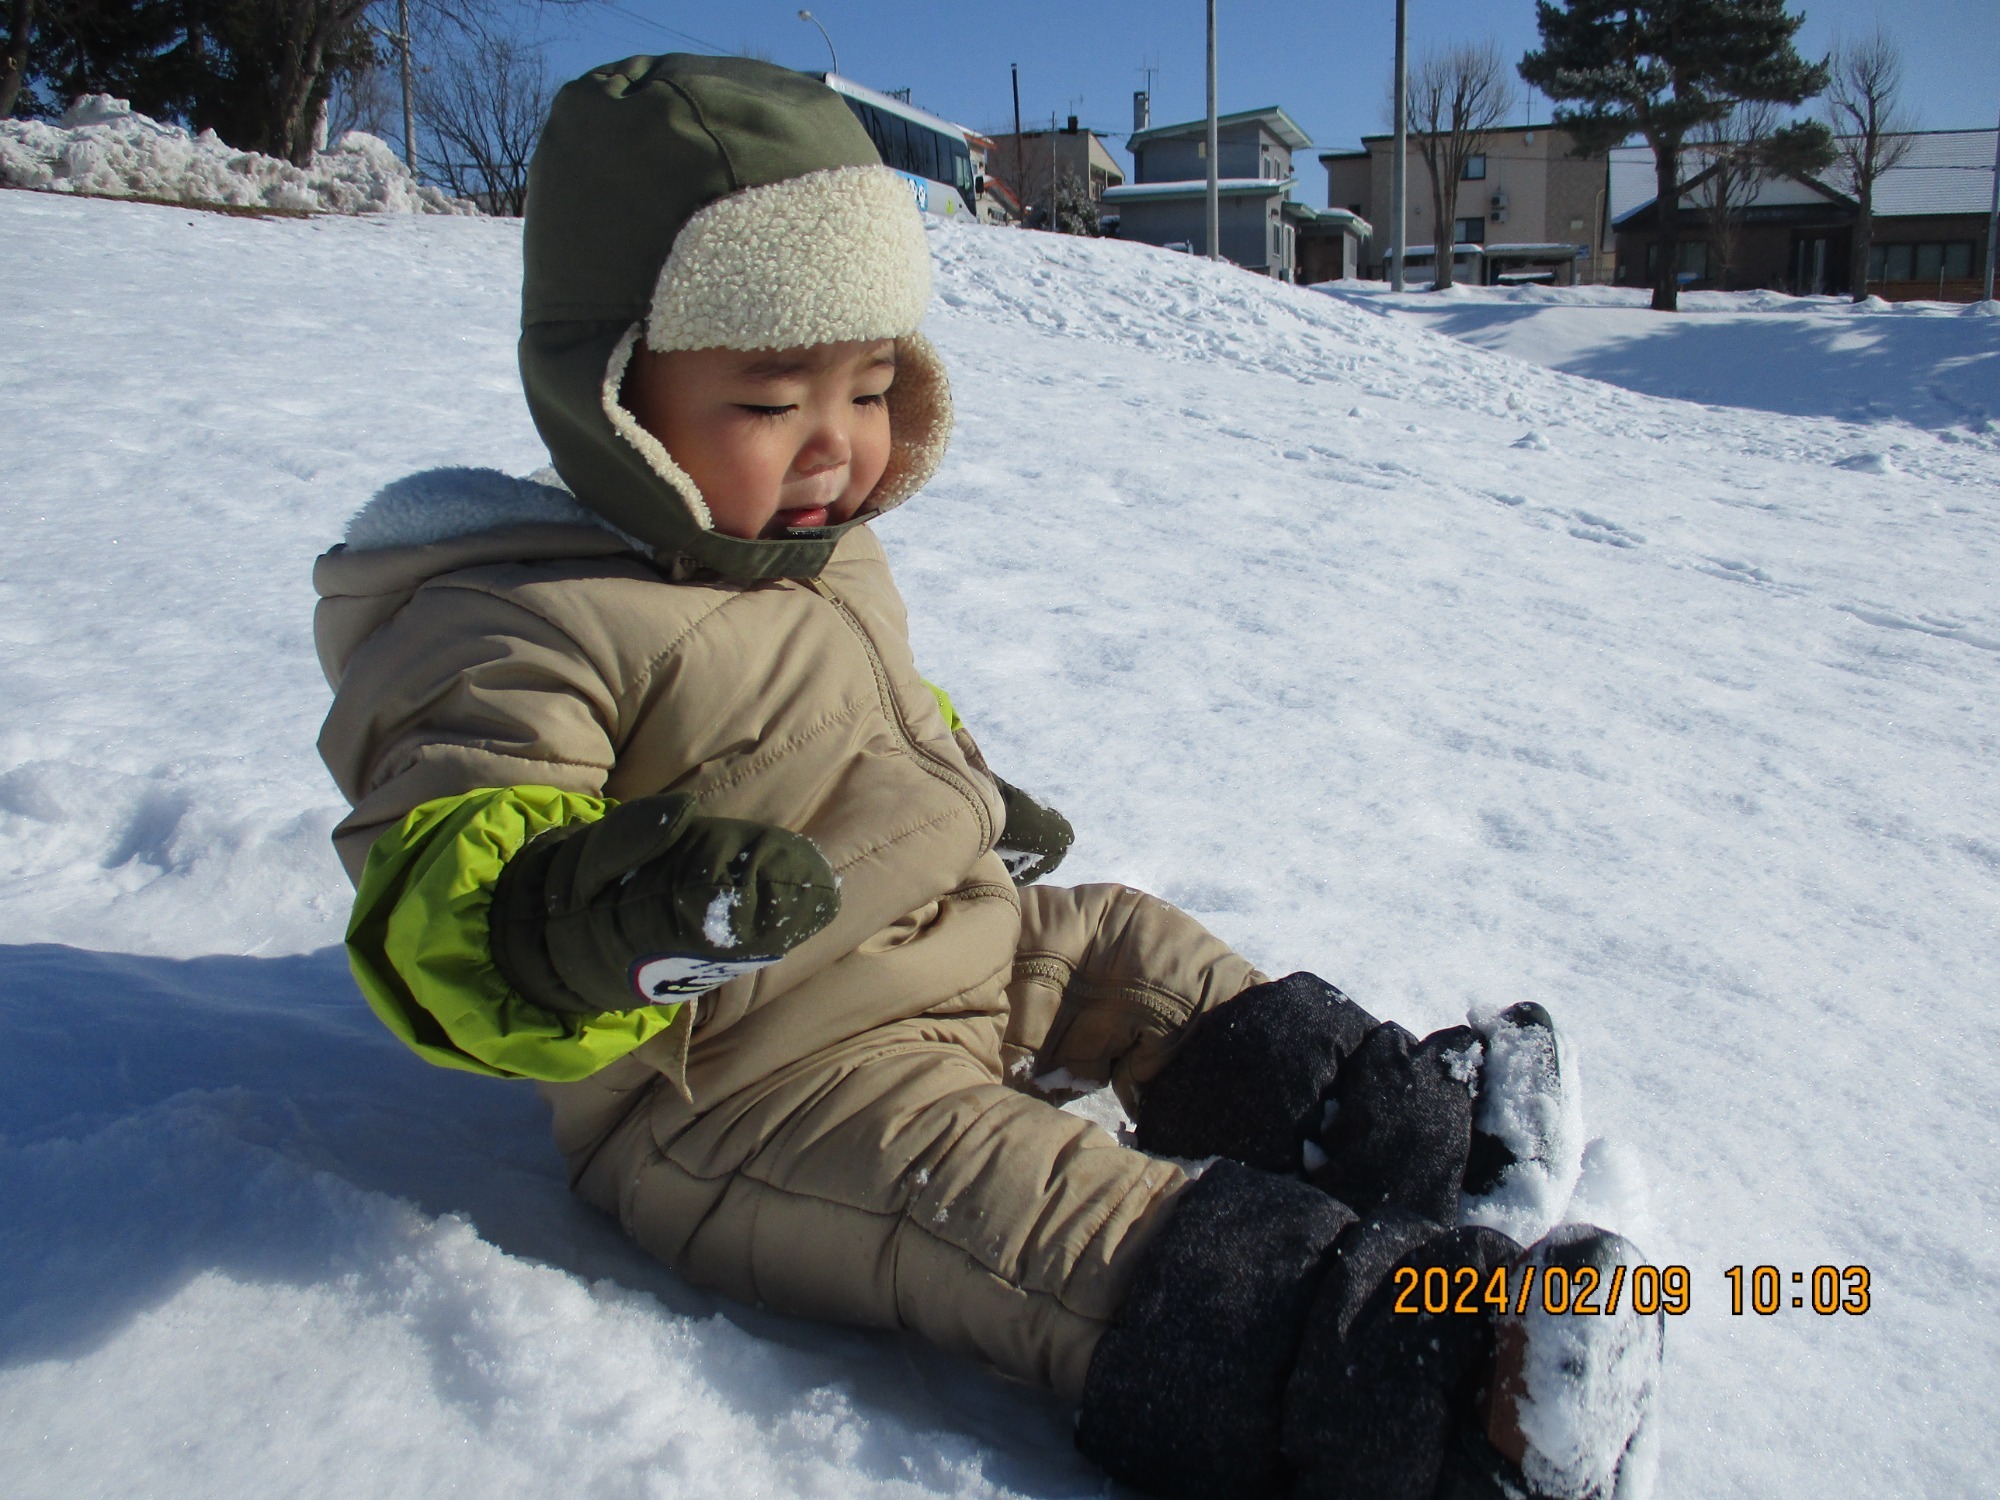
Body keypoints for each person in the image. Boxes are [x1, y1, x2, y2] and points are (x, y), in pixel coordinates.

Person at [312, 53, 1660, 1500]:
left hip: (948, 955)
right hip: (758, 1091)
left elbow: (871, 717)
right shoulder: (512, 622)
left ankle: (1418, 1142)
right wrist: (584, 920)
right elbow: (441, 888)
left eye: (873, 383)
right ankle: (1443, 1384)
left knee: (1132, 942)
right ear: (610, 395)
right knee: (1037, 1214)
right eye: (772, 401)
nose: (838, 441)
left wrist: (966, 798)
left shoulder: (815, 551)